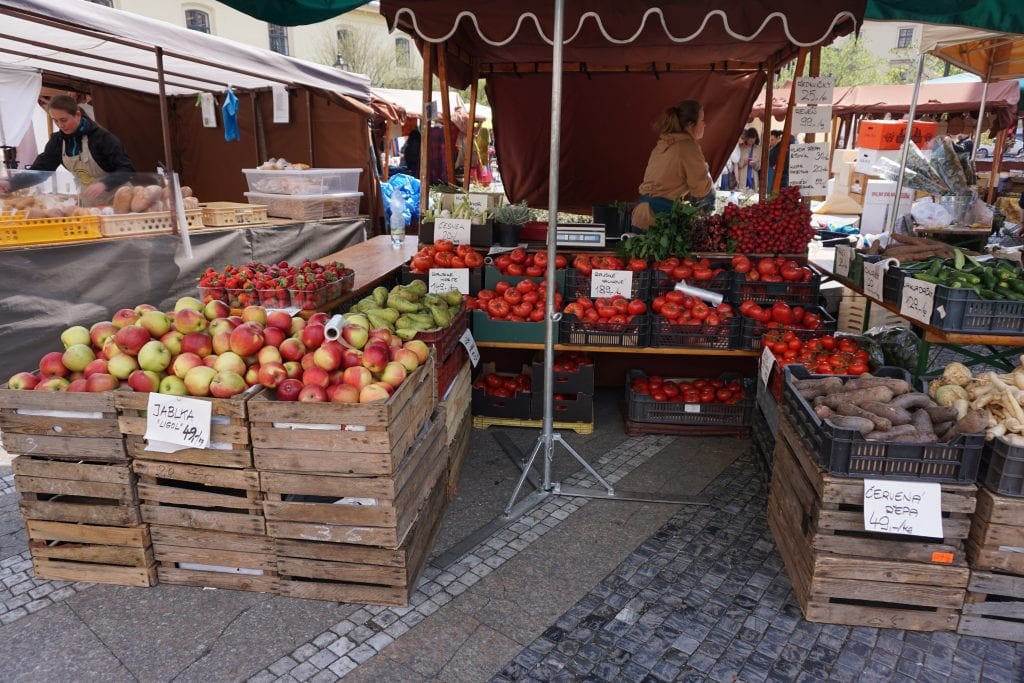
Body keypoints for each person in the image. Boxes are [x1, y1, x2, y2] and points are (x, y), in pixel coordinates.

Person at [0, 95, 134, 198]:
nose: (60, 125)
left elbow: (127, 169)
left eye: (63, 120)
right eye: (55, 121)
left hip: (118, 200)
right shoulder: (57, 141)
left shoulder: (102, 138)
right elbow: (40, 171)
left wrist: (104, 184)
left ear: (77, 115)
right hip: (90, 204)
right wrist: (11, 183)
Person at [631, 100, 715, 230]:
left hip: (641, 215)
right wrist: (706, 172)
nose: (705, 124)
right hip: (660, 217)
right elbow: (700, 189)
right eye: (702, 120)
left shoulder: (664, 142)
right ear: (690, 125)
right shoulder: (687, 146)